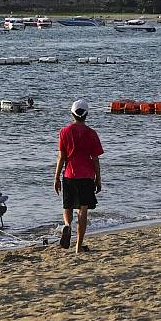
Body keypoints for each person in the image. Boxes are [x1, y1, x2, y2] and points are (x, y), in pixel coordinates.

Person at [54, 99, 104, 253]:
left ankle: (67, 225)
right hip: (87, 176)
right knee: (83, 210)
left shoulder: (64, 132)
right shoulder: (92, 133)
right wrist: (98, 179)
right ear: (86, 115)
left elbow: (61, 157)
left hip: (69, 174)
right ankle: (78, 247)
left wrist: (56, 178)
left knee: (67, 206)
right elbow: (95, 159)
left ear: (72, 114)